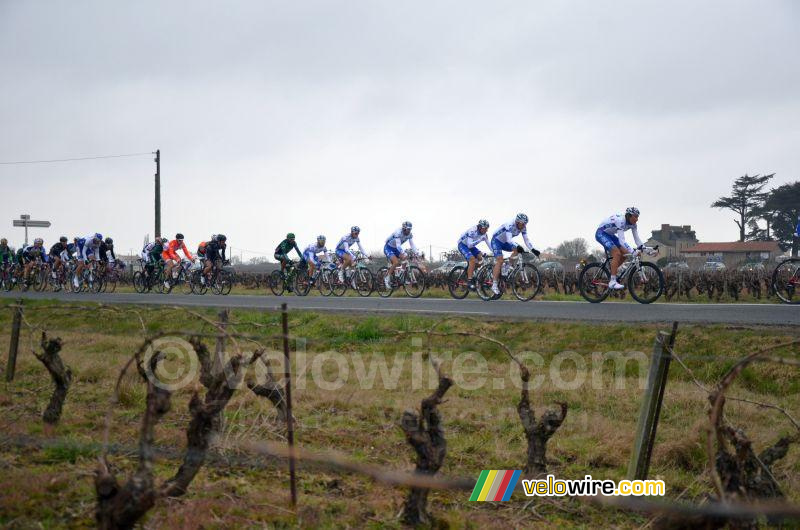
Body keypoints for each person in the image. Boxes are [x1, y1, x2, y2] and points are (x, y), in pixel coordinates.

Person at [489, 213, 541, 295]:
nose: (524, 226)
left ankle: (506, 268)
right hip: (496, 241)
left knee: (517, 250)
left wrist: (533, 249)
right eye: (522, 224)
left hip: (505, 242)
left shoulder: (523, 227)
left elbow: (526, 240)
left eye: (525, 224)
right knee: (500, 260)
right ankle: (494, 285)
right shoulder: (510, 225)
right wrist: (517, 246)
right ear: (517, 222)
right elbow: (509, 240)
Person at [595, 207, 645, 290]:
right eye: (635, 217)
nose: (637, 219)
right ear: (629, 216)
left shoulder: (633, 224)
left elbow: (637, 240)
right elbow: (622, 241)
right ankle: (612, 281)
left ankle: (612, 271)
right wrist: (633, 251)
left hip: (610, 235)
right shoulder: (621, 221)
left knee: (625, 254)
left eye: (638, 217)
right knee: (617, 253)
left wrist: (647, 250)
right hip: (601, 233)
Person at [383, 221, 419, 290]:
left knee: (405, 260)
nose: (409, 231)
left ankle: (401, 277)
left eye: (410, 229)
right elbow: (398, 245)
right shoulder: (398, 232)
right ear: (404, 228)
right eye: (408, 229)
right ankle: (386, 278)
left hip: (396, 248)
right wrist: (404, 253)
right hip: (388, 247)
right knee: (396, 262)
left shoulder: (409, 234)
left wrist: (417, 253)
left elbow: (412, 245)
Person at [458, 220, 491, 289]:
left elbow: (489, 245)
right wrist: (480, 240)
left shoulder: (484, 234)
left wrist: (496, 252)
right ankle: (469, 280)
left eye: (487, 228)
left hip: (471, 246)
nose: (486, 230)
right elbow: (469, 245)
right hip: (463, 245)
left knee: (481, 258)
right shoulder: (472, 231)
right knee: (472, 260)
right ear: (480, 227)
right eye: (485, 228)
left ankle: (471, 271)